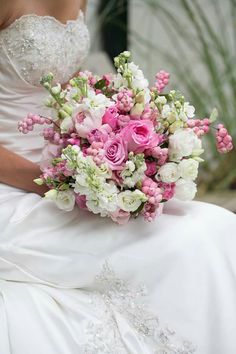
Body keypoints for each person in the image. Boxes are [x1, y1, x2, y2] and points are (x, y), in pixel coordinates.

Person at [0, 0, 236, 353]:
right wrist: (58, 179)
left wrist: (115, 137)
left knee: (216, 226)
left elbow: (61, 88)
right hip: (15, 191)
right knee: (188, 242)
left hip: (68, 176)